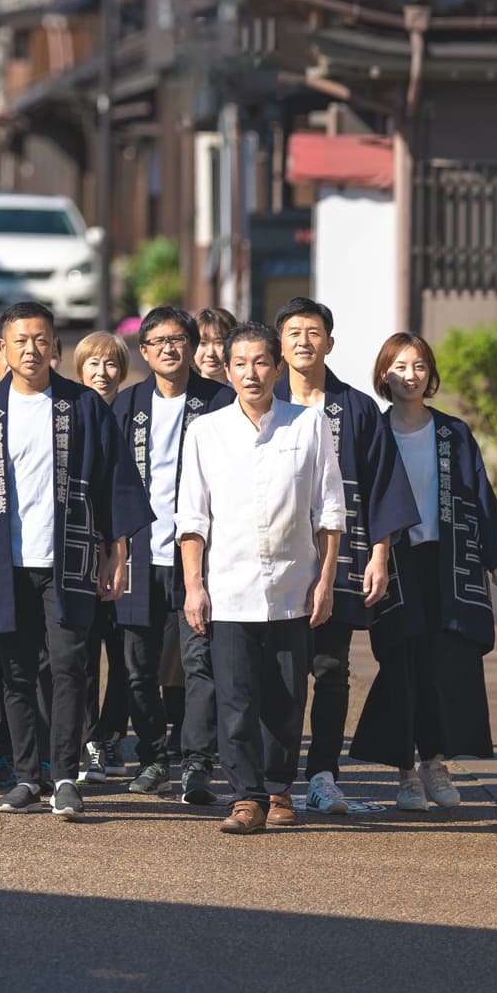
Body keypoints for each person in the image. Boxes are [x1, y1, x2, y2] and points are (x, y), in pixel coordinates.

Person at [0, 302, 149, 821]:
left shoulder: (81, 406)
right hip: (0, 561)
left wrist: (116, 555)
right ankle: (28, 775)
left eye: (41, 339)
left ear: (56, 346)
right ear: (2, 349)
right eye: (20, 341)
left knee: (71, 666)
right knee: (14, 670)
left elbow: (115, 482)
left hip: (67, 559)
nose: (31, 349)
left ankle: (66, 775)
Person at [177, 321, 344, 836]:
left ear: (277, 367)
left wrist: (326, 581)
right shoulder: (207, 430)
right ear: (227, 370)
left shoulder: (308, 424)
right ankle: (246, 796)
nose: (251, 373)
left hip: (294, 588)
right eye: (240, 364)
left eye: (260, 362)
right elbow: (192, 516)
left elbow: (330, 510)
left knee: (289, 697)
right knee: (236, 698)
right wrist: (194, 586)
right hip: (229, 589)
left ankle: (279, 789)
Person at [352, 333, 497, 810]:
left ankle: (434, 762)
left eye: (419, 366)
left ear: (430, 374)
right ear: (383, 375)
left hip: (447, 560)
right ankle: (406, 773)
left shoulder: (453, 432)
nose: (410, 375)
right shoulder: (372, 431)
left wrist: (496, 554)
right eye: (399, 366)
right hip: (393, 562)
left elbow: (479, 494)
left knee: (444, 664)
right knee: (400, 663)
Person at [274, 297, 419, 817]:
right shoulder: (261, 401)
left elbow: (384, 486)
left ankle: (322, 775)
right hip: (274, 564)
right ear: (280, 343)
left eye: (313, 332)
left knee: (331, 671)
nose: (304, 342)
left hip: (341, 563)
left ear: (330, 343)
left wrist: (380, 555)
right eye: (294, 332)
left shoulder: (356, 408)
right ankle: (274, 781)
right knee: (280, 675)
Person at [109, 303, 232, 805]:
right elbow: (111, 485)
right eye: (158, 342)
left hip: (199, 557)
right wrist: (111, 554)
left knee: (199, 662)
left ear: (193, 346)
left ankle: (197, 762)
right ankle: (154, 755)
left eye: (178, 340)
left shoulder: (219, 401)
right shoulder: (127, 404)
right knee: (138, 668)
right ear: (144, 351)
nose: (169, 349)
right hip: (139, 554)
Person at [73, 329, 133, 777]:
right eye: (93, 363)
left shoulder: (133, 414)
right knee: (85, 651)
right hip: (82, 550)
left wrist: (121, 552)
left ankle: (111, 735)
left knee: (128, 652)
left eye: (111, 364)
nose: (102, 372)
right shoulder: (70, 412)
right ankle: (88, 738)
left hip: (129, 549)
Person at [193, 307, 237, 386]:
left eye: (219, 343)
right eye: (202, 343)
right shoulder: (182, 393)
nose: (210, 353)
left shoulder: (241, 395)